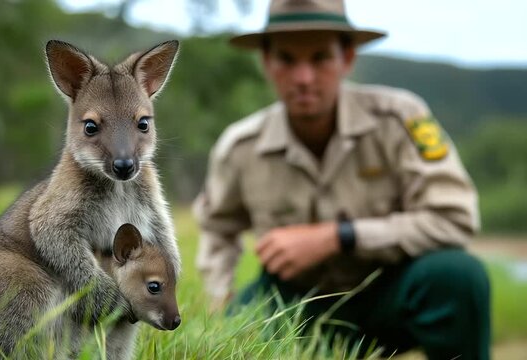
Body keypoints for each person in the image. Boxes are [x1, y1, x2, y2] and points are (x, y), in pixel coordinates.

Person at [192, 0, 490, 358]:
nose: (303, 78)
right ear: (267, 63)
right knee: (233, 335)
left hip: (388, 294)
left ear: (347, 58)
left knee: (457, 277)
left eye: (320, 58)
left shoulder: (399, 119)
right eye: (287, 60)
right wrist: (218, 303)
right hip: (295, 303)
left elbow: (455, 219)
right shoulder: (240, 147)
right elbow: (217, 229)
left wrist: (339, 237)